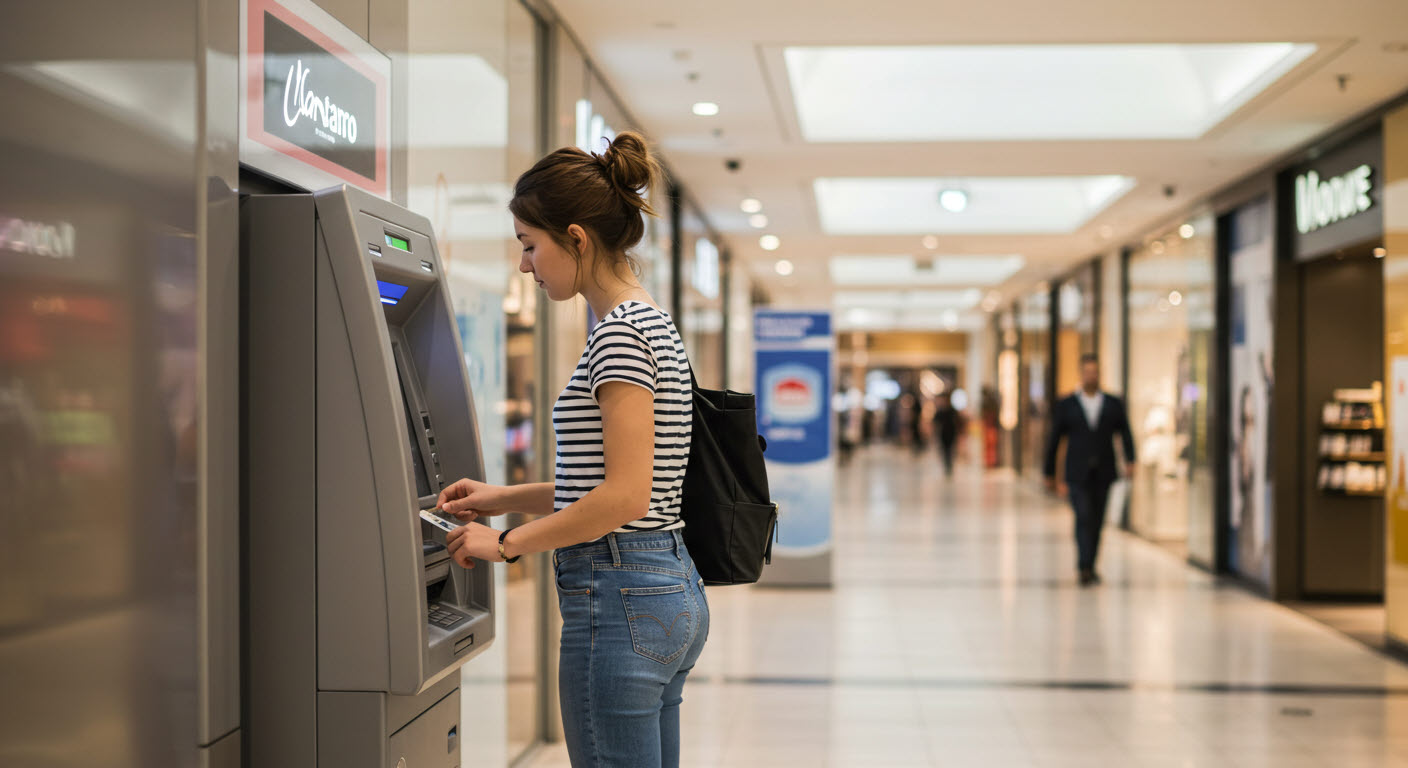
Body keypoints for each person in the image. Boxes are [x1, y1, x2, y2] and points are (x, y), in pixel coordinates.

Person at [436, 131, 708, 767]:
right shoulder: (653, 323)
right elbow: (620, 480)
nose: (525, 265)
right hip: (666, 586)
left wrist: (504, 545)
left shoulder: (618, 337)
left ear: (577, 238)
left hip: (617, 595)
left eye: (531, 245)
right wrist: (504, 498)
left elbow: (622, 496)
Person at [1042, 354, 1135, 586]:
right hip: (1077, 472)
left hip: (1104, 471)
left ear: (1099, 374)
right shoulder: (1068, 405)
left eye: (1094, 372)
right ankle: (1083, 565)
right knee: (1083, 516)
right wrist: (1049, 471)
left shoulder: (1112, 403)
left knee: (1097, 519)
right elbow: (1054, 440)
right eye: (1087, 372)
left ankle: (1091, 564)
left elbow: (1125, 432)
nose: (1091, 376)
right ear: (1081, 374)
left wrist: (1131, 459)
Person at [932, 392, 961, 476]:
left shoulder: (952, 411)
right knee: (944, 451)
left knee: (950, 451)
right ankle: (946, 465)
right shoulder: (939, 412)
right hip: (943, 434)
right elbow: (935, 423)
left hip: (951, 433)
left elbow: (957, 422)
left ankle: (950, 465)